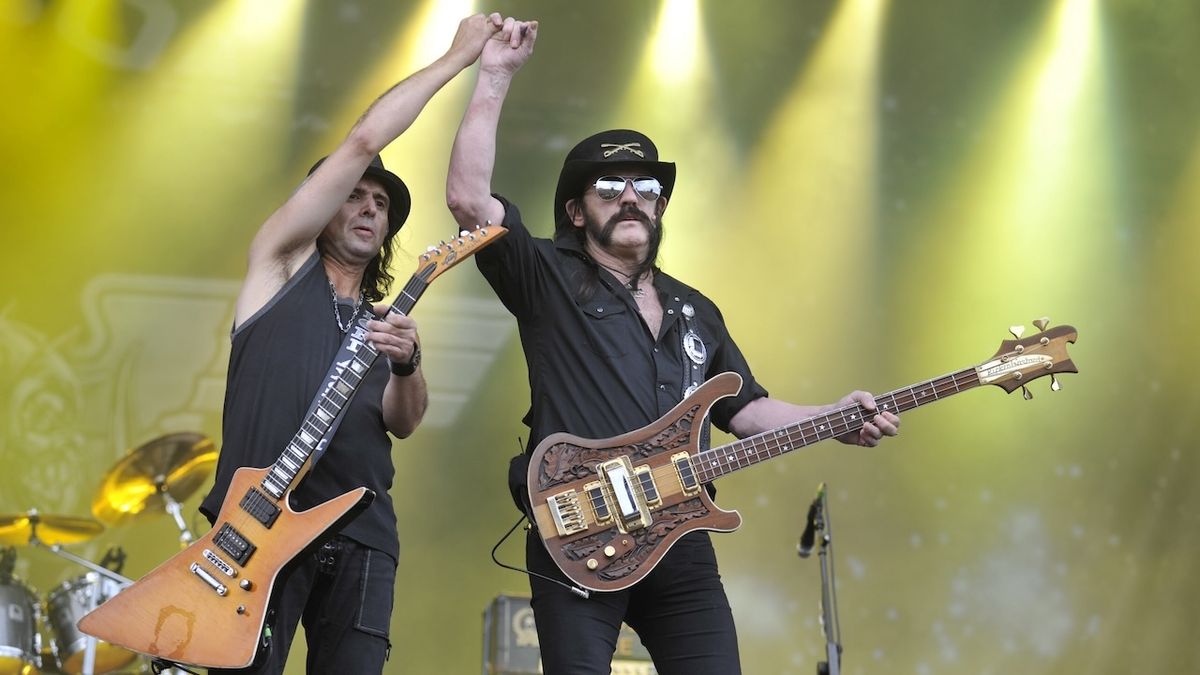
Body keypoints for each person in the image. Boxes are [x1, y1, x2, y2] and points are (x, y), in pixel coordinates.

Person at [445, 20, 901, 675]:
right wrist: (493, 77)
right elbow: (467, 199)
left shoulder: (696, 310)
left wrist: (836, 416)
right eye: (610, 187)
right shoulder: (547, 275)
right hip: (581, 526)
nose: (632, 196)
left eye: (647, 188)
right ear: (577, 212)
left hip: (680, 539)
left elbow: (747, 412)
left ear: (661, 209)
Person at [198, 13, 504, 674]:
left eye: (381, 202)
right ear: (318, 204)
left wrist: (409, 362)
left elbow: (405, 420)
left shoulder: (386, 316)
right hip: (257, 527)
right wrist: (460, 57)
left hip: (362, 533)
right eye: (353, 194)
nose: (370, 206)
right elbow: (365, 137)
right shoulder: (277, 268)